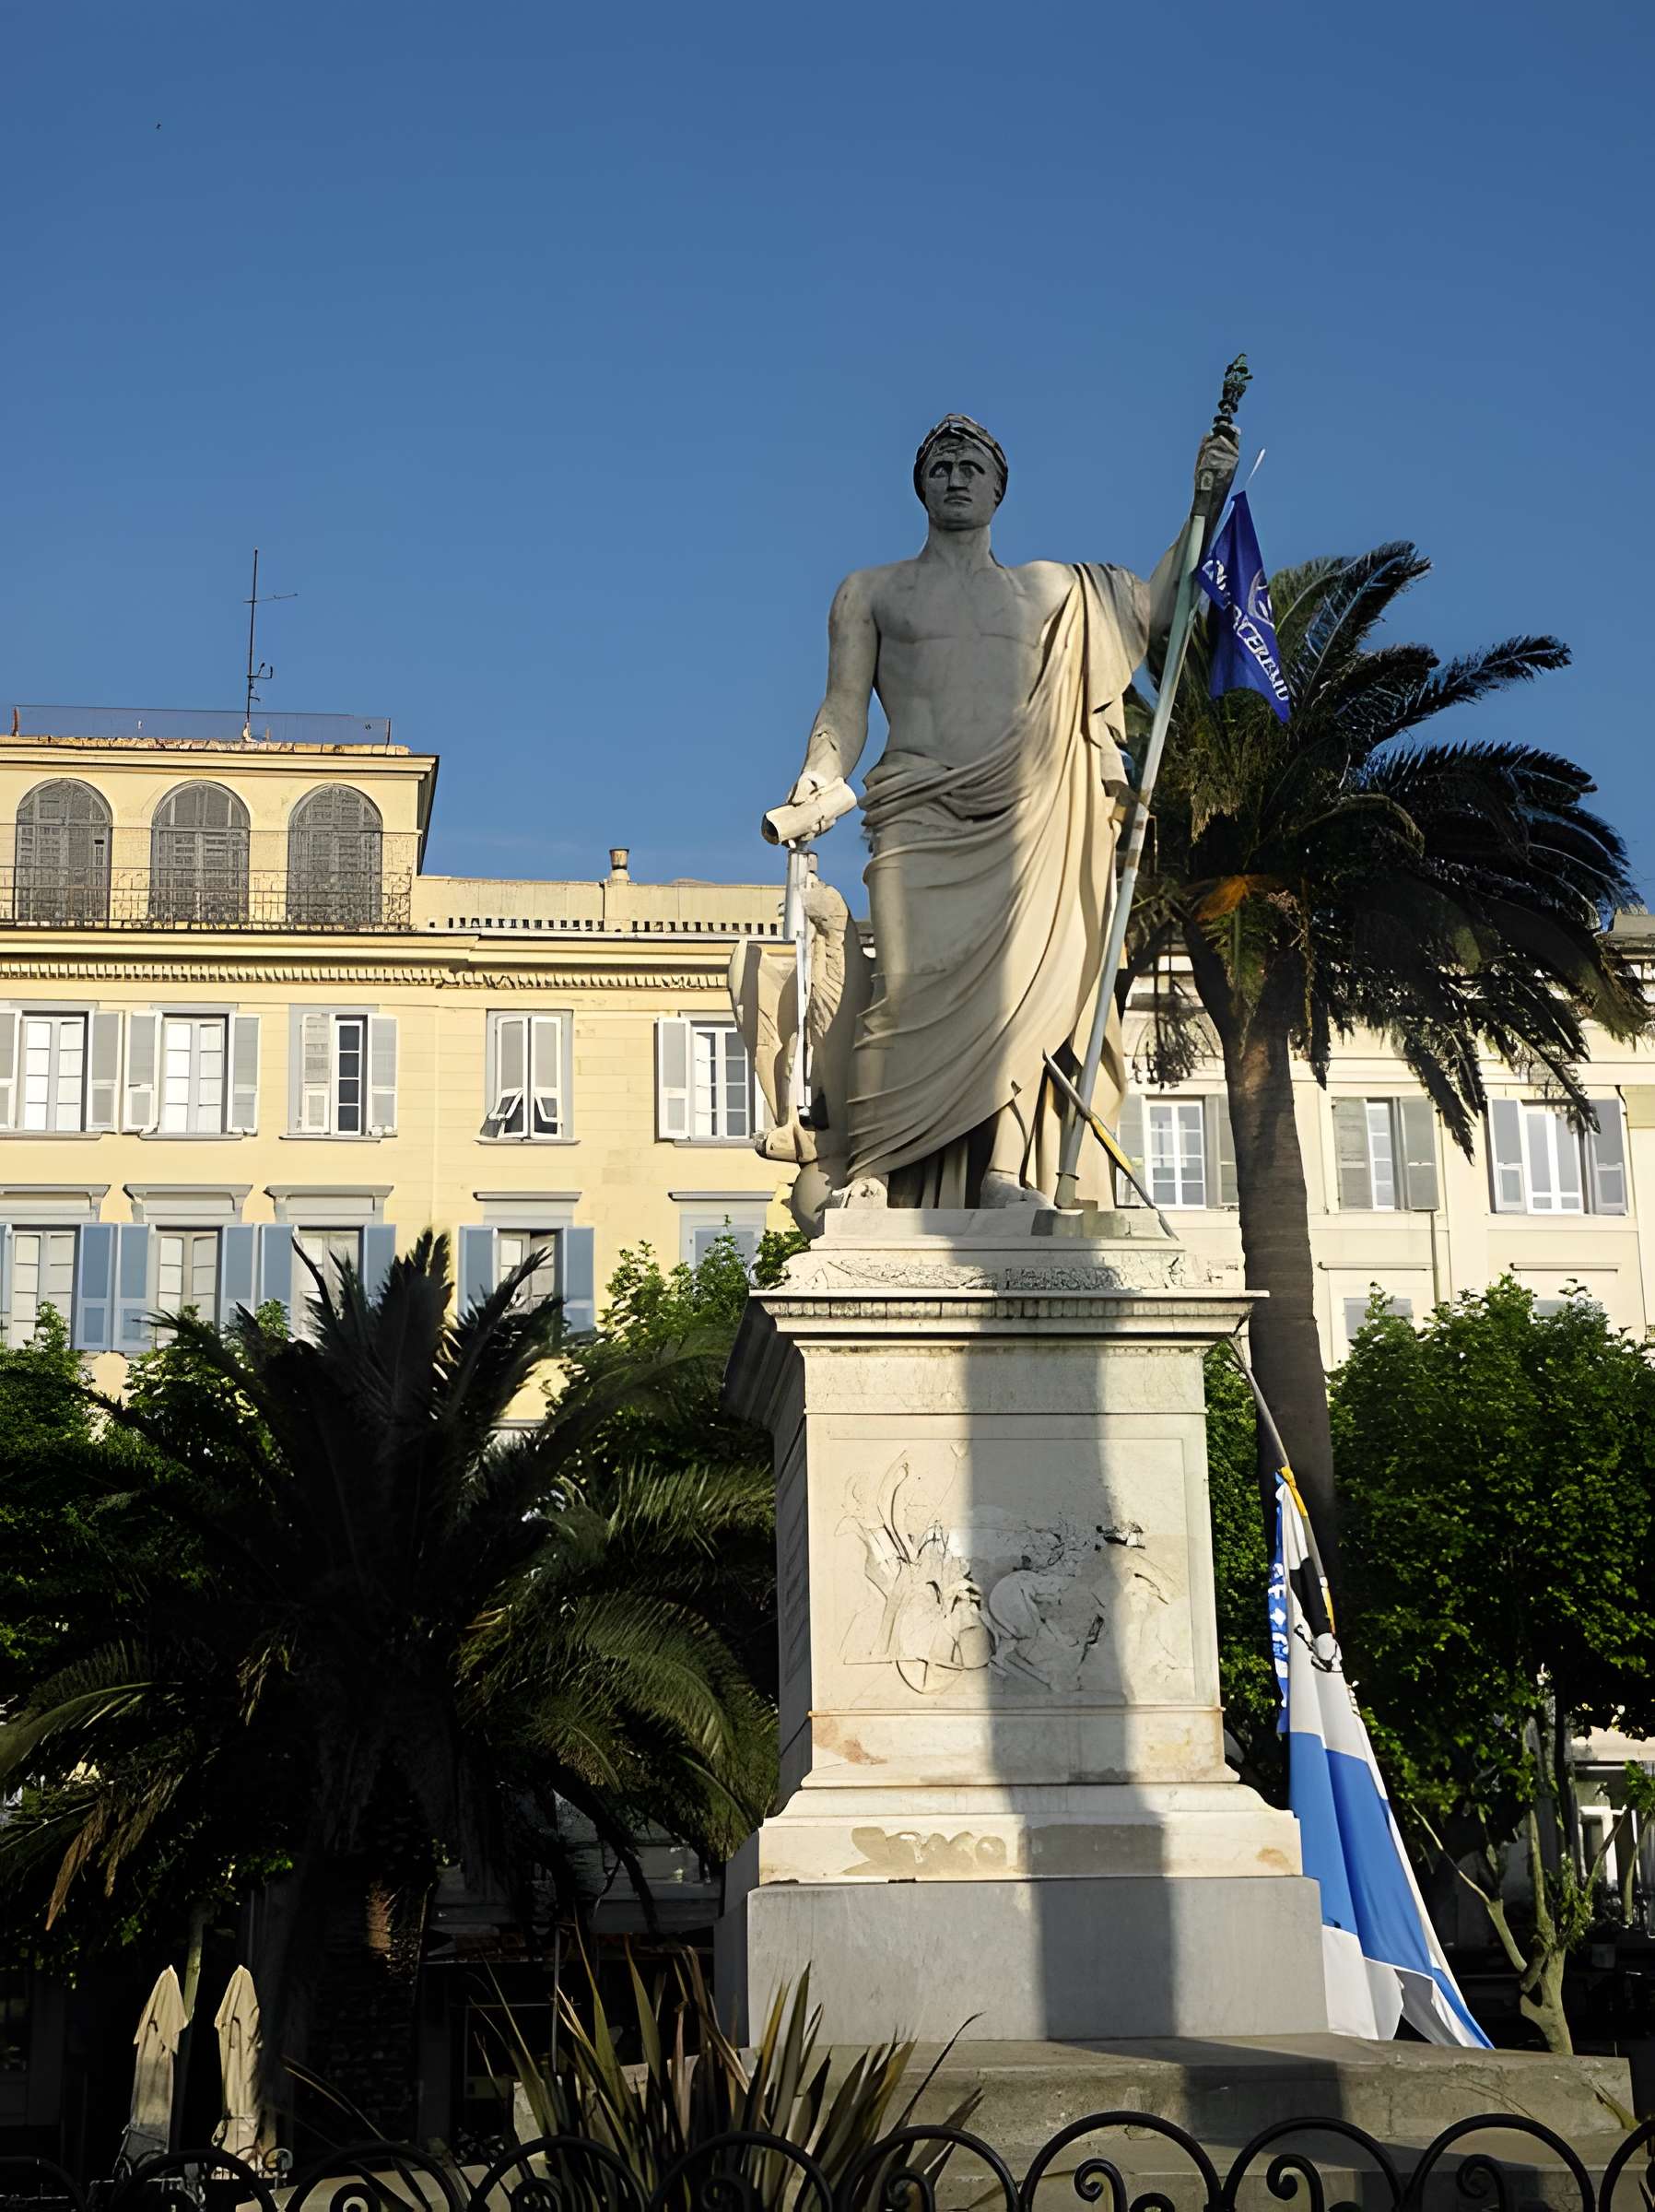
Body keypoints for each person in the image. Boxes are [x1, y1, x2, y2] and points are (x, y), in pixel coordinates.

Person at [778, 412, 1237, 1208]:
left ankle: (1003, 1175)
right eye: (942, 465)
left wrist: (1205, 499)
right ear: (919, 485)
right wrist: (819, 777)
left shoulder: (1056, 590)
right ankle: (878, 1170)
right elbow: (845, 705)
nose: (956, 477)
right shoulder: (872, 591)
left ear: (999, 488)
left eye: (972, 466)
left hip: (1032, 816)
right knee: (907, 987)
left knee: (1028, 990)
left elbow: (1160, 608)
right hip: (917, 809)